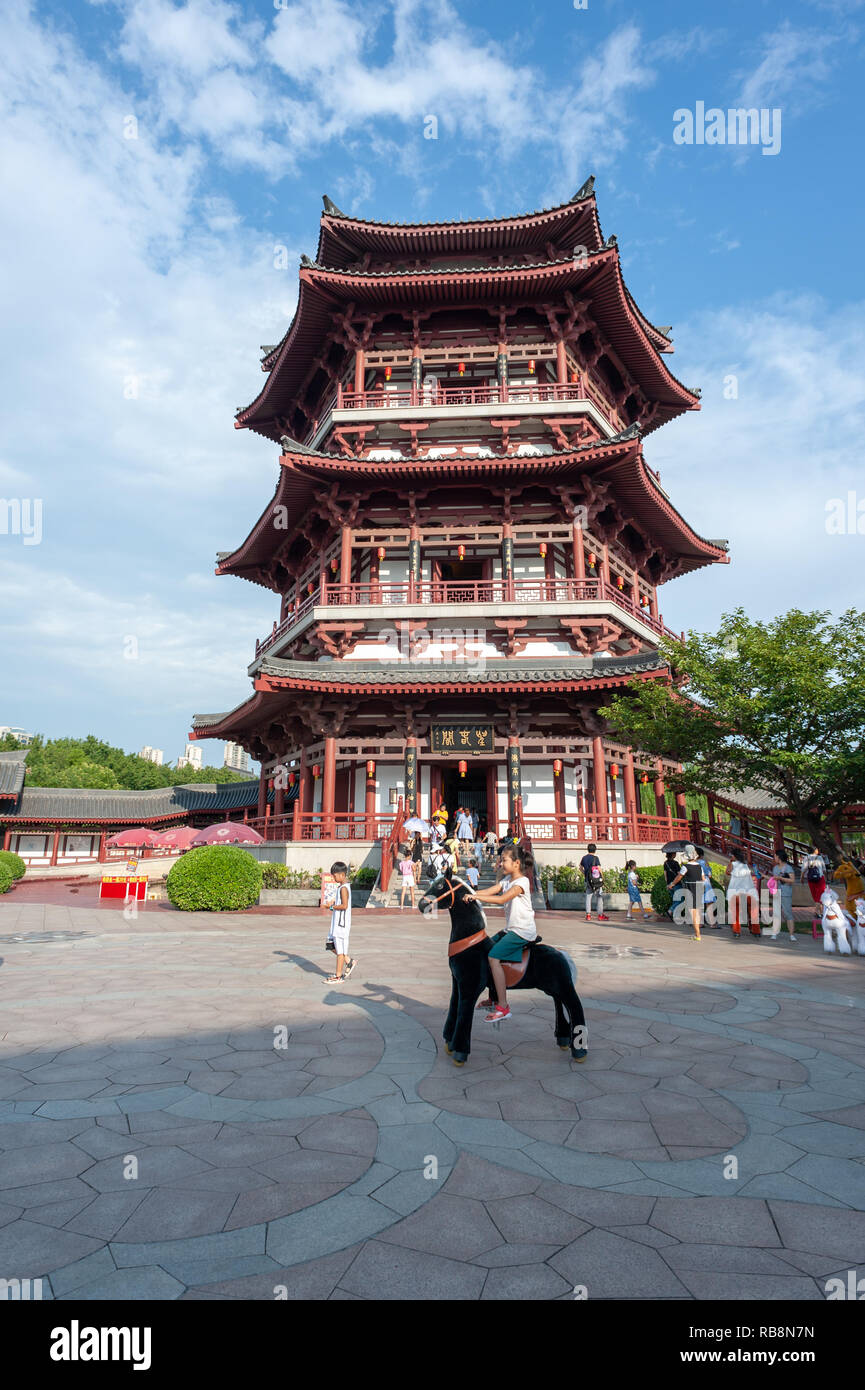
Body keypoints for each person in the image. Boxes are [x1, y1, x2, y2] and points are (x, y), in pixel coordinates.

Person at [465, 844, 537, 1023]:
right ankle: (493, 997)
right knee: (485, 948)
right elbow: (490, 891)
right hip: (510, 930)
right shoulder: (506, 881)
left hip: (522, 931)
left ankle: (503, 1006)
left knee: (493, 957)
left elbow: (502, 899)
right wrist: (468, 893)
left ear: (517, 863)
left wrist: (476, 897)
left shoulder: (522, 882)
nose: (500, 863)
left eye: (504, 860)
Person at [322, 861, 355, 982]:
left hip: (342, 924)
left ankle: (338, 976)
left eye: (334, 875)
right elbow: (341, 903)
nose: (333, 878)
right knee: (330, 944)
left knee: (340, 951)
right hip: (337, 923)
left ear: (341, 874)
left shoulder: (344, 888)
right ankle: (349, 961)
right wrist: (334, 903)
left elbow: (345, 906)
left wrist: (330, 907)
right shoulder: (341, 887)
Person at [669, 845, 705, 941]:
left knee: (692, 912)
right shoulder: (699, 866)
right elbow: (703, 879)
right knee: (696, 911)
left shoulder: (685, 867)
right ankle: (697, 933)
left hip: (690, 889)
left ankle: (698, 935)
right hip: (699, 888)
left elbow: (679, 877)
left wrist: (672, 884)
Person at [725, 851, 759, 938]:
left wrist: (730, 863)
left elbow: (727, 872)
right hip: (749, 892)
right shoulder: (745, 865)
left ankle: (737, 931)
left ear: (735, 856)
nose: (730, 856)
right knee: (753, 912)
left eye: (731, 855)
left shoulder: (732, 864)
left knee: (735, 913)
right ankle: (756, 931)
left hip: (735, 892)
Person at [769, 850, 797, 942]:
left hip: (786, 893)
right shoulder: (775, 868)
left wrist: (780, 878)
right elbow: (773, 880)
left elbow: (792, 880)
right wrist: (763, 876)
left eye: (775, 856)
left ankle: (792, 935)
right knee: (776, 913)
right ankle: (774, 933)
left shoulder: (788, 868)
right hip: (777, 892)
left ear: (779, 857)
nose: (774, 858)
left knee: (787, 913)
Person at [580, 843, 608, 921]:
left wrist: (585, 874)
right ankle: (600, 915)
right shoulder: (596, 858)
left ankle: (588, 915)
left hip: (588, 881)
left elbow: (580, 868)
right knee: (599, 897)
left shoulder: (584, 858)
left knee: (588, 897)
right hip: (596, 882)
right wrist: (603, 877)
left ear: (587, 849)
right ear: (595, 850)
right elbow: (599, 868)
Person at [800, 847, 828, 915]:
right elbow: (824, 869)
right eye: (817, 849)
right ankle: (818, 911)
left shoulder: (806, 858)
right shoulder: (820, 858)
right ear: (815, 850)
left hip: (810, 879)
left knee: (815, 895)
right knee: (820, 895)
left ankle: (819, 912)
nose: (818, 850)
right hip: (820, 878)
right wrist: (826, 878)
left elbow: (804, 869)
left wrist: (802, 878)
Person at [696, 851, 719, 928]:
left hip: (696, 883)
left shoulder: (692, 863)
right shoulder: (704, 862)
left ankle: (700, 923)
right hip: (705, 883)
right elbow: (709, 875)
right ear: (702, 855)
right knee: (709, 903)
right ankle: (712, 923)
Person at [663, 851, 684, 922]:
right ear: (672, 854)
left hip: (669, 884)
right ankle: (670, 910)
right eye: (674, 853)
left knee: (675, 900)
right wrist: (682, 868)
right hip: (676, 884)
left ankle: (675, 916)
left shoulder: (665, 863)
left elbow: (665, 875)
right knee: (680, 900)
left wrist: (667, 884)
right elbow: (679, 874)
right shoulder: (675, 863)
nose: (675, 854)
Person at [398, 845, 416, 909]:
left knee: (403, 892)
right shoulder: (411, 862)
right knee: (412, 891)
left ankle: (401, 905)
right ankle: (413, 905)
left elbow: (401, 869)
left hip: (404, 876)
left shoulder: (401, 863)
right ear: (409, 856)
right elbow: (414, 870)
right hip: (410, 876)